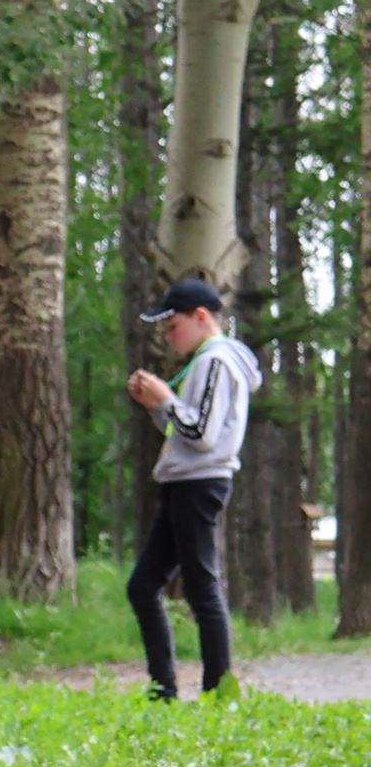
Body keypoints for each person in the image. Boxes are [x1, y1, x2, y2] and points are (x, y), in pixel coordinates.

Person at [124, 277, 260, 701]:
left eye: (172, 326)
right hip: (183, 482)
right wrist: (157, 405)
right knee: (144, 585)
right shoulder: (207, 360)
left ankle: (219, 690)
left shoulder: (215, 361)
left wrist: (164, 398)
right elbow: (184, 429)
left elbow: (200, 433)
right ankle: (163, 688)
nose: (169, 337)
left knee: (202, 588)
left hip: (199, 484)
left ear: (201, 318)